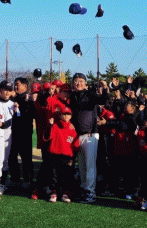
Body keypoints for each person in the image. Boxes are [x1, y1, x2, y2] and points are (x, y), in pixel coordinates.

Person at [68, 73, 108, 203]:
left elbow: (103, 100)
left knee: (90, 165)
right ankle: (84, 188)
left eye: (81, 81)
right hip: (78, 135)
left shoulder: (89, 94)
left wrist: (105, 88)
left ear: (85, 83)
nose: (78, 83)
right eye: (76, 81)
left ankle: (90, 192)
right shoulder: (73, 96)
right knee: (82, 166)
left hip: (90, 134)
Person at [44, 106, 80, 203]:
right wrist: (50, 125)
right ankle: (54, 193)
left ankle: (64, 193)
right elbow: (47, 137)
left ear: (71, 116)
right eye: (64, 114)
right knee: (54, 174)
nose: (66, 116)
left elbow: (76, 145)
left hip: (67, 156)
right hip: (55, 154)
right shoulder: (55, 126)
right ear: (60, 115)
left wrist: (73, 158)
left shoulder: (72, 129)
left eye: (68, 114)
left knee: (66, 175)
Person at [9, 77, 35, 189]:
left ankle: (28, 180)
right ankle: (15, 178)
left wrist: (26, 103)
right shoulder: (13, 98)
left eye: (18, 84)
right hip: (12, 131)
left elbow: (31, 114)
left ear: (25, 86)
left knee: (26, 157)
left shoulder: (29, 98)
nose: (15, 86)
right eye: (15, 84)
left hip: (25, 132)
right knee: (12, 156)